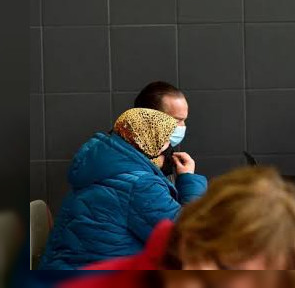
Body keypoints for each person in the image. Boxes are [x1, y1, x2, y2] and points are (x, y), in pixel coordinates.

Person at [58, 166, 295, 288]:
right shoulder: (143, 183)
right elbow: (180, 217)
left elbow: (190, 218)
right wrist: (189, 180)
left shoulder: (123, 172)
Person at [38, 109, 207, 270]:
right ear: (147, 142)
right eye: (165, 140)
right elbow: (187, 238)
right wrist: (188, 179)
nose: (169, 146)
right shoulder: (140, 185)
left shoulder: (99, 165)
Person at [133, 81, 190, 177]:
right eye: (177, 120)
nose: (182, 126)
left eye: (184, 120)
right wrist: (188, 178)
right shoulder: (126, 162)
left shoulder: (166, 153)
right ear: (148, 119)